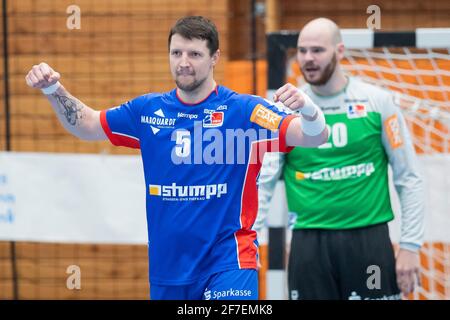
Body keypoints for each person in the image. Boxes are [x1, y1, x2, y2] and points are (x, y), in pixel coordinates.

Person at [25, 16, 328, 300]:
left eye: (194, 55)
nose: (183, 63)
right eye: (176, 53)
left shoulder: (245, 111)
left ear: (214, 58)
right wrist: (53, 88)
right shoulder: (147, 110)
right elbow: (89, 125)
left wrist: (309, 109)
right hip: (168, 270)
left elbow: (314, 136)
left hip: (230, 261)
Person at [256, 18, 425, 300]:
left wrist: (410, 245)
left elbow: (409, 177)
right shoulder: (283, 111)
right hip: (308, 245)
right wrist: (248, 241)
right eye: (302, 50)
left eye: (318, 50)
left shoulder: (378, 102)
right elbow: (263, 182)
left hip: (368, 240)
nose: (308, 59)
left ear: (340, 51)